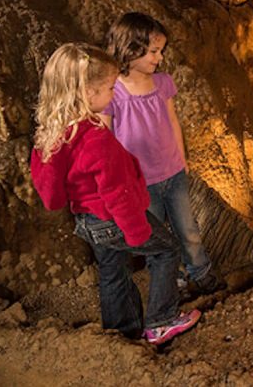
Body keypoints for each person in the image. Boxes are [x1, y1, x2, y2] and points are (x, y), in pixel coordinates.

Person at [30, 43, 201, 345]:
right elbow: (116, 192)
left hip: (87, 220)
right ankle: (161, 321)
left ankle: (122, 334)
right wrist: (136, 231)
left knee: (113, 271)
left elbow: (53, 195)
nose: (113, 93)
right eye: (109, 88)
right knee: (167, 250)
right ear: (87, 92)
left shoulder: (55, 134)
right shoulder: (96, 139)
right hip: (114, 219)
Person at [101, 13, 219, 295]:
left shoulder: (163, 82)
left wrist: (182, 158)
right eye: (153, 51)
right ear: (130, 49)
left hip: (173, 171)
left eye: (161, 51)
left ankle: (202, 275)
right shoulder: (113, 92)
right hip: (141, 181)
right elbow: (104, 139)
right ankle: (172, 282)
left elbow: (173, 121)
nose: (160, 58)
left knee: (188, 230)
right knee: (157, 238)